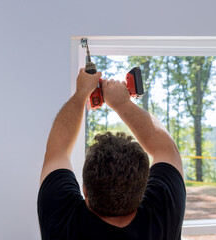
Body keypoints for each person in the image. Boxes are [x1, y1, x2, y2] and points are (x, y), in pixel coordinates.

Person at [37, 68, 186, 240]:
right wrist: (122, 104)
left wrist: (81, 93)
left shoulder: (62, 222)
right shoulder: (163, 215)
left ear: (85, 190)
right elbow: (166, 149)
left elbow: (58, 150)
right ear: (143, 190)